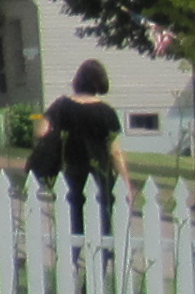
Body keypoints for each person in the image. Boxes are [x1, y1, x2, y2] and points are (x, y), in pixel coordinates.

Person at [32, 59, 130, 226]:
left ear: (78, 80)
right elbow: (115, 152)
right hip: (100, 175)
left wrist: (41, 119)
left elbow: (40, 132)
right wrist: (126, 182)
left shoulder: (61, 105)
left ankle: (74, 252)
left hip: (70, 172)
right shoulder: (107, 112)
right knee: (103, 226)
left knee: (72, 224)